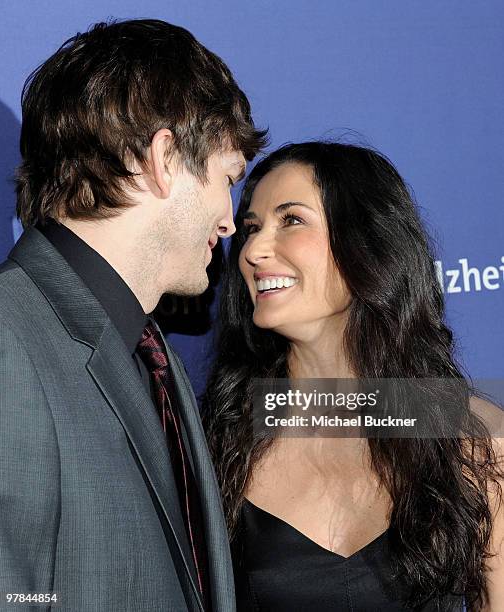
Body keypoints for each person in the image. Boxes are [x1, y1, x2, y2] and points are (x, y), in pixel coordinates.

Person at [0, 19, 266, 612]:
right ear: (164, 158)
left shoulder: (152, 352)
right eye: (227, 180)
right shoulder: (7, 341)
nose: (228, 222)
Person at [204, 142, 504, 611]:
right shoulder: (220, 438)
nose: (254, 250)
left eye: (292, 220)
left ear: (365, 241)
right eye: (251, 229)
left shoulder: (471, 437)